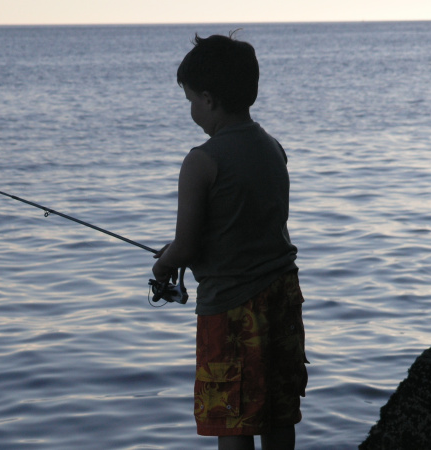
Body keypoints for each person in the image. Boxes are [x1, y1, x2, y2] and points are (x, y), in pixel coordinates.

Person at [152, 32, 308, 450]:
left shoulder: (201, 161)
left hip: (231, 308)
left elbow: (184, 247)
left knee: (232, 418)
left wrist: (163, 264)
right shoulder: (273, 148)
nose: (190, 109)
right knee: (279, 411)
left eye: (189, 100)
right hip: (282, 297)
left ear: (208, 99)